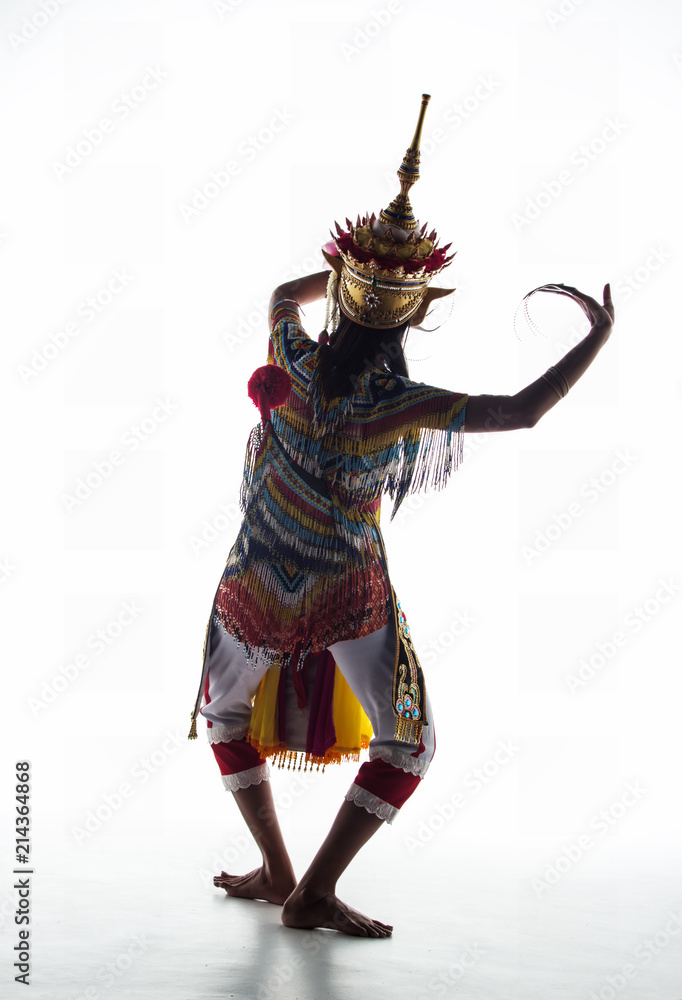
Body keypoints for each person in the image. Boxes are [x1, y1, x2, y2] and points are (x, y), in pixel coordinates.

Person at [188, 95, 615, 938]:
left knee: (224, 716)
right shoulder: (402, 404)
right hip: (349, 597)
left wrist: (347, 273)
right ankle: (303, 888)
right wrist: (595, 340)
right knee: (407, 745)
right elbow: (521, 410)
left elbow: (282, 292)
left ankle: (280, 871)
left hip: (251, 586)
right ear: (418, 313)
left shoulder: (291, 354)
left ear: (342, 295)